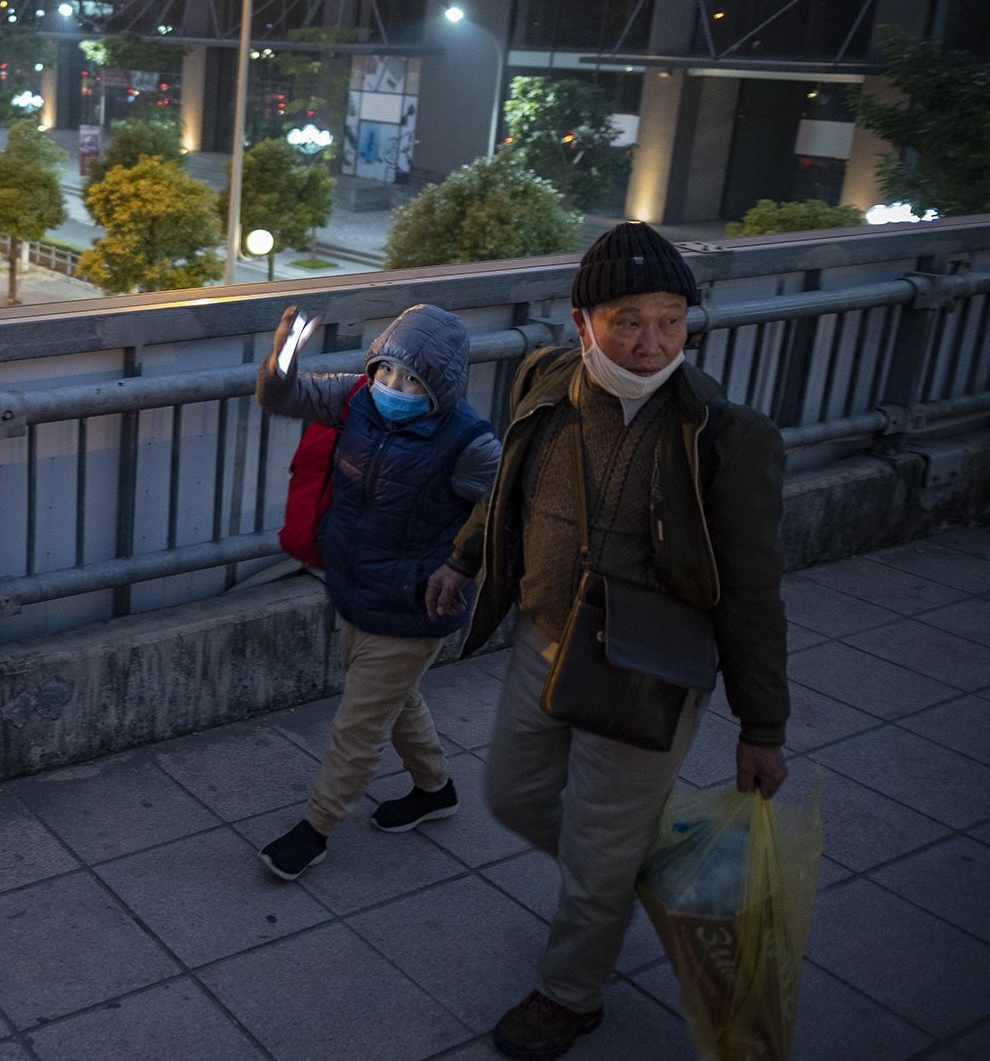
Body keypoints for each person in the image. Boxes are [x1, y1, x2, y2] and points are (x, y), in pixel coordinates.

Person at [424, 222, 790, 1061]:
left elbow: (755, 593)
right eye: (629, 318)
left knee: (597, 846)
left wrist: (762, 726)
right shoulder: (547, 379)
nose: (652, 340)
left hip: (648, 670)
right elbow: (508, 490)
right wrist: (464, 556)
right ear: (581, 319)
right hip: (545, 638)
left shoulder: (725, 438)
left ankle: (571, 990)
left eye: (672, 318)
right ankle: (622, 877)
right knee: (511, 795)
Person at [255, 304, 503, 880]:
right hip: (357, 583)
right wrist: (284, 357)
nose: (393, 386)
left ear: (439, 384)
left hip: (418, 600)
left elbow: (511, 502)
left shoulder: (468, 441)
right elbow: (281, 397)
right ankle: (435, 789)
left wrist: (463, 565)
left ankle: (315, 829)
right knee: (393, 700)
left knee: (358, 722)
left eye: (412, 378)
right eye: (386, 370)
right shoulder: (355, 398)